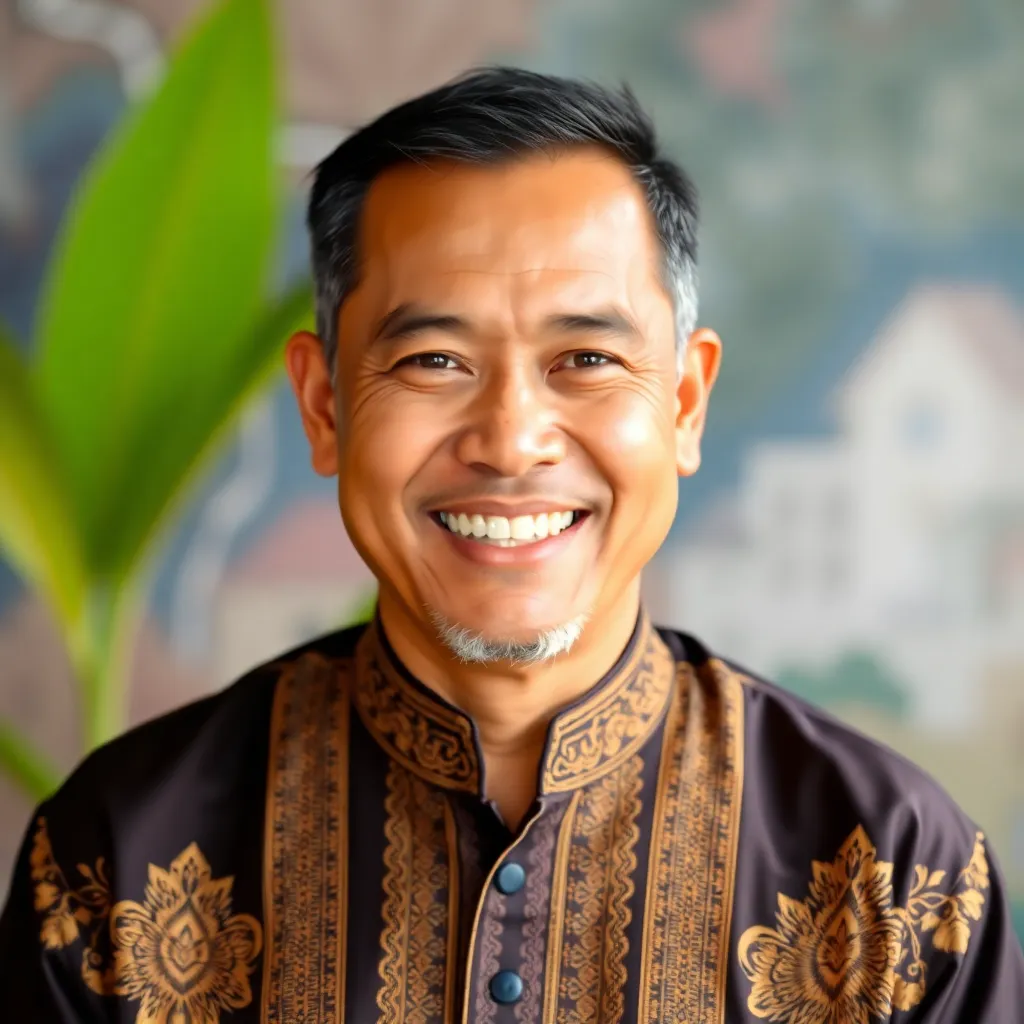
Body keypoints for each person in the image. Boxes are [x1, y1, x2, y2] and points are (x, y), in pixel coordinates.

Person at [1, 66, 1021, 1023]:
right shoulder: (118, 860)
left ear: (683, 403)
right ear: (322, 406)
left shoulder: (890, 873)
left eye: (584, 358)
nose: (510, 440)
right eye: (435, 359)